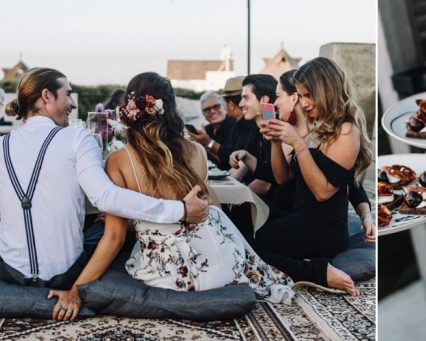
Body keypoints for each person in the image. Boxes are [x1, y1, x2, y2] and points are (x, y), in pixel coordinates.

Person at [0, 67, 212, 322]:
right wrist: (180, 209)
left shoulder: (0, 146)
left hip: (9, 272)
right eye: (67, 94)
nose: (73, 102)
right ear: (47, 96)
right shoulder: (78, 138)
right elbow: (106, 198)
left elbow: (0, 213)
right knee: (109, 223)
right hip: (68, 274)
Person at [105, 72, 293, 303]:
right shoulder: (196, 151)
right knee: (215, 213)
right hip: (219, 265)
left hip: (168, 275)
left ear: (130, 108)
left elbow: (116, 235)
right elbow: (216, 212)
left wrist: (77, 287)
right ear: (171, 108)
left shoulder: (116, 160)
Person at [255, 57, 374, 295]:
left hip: (324, 228)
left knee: (251, 246)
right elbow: (283, 178)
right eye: (300, 95)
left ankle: (317, 272)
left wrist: (298, 144)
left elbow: (323, 192)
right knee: (243, 233)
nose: (305, 103)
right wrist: (276, 142)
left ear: (326, 91)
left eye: (308, 95)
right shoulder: (317, 128)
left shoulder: (346, 130)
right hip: (302, 217)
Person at [227, 74, 277, 194]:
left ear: (264, 100)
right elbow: (237, 171)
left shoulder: (278, 129)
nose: (240, 104)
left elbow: (265, 183)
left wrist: (236, 199)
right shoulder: (256, 131)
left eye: (246, 98)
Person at [188, 92, 236, 166]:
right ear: (204, 115)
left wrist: (207, 143)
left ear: (224, 107)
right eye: (207, 109)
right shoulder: (206, 130)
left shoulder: (235, 127)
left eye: (216, 106)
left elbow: (230, 159)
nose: (212, 111)